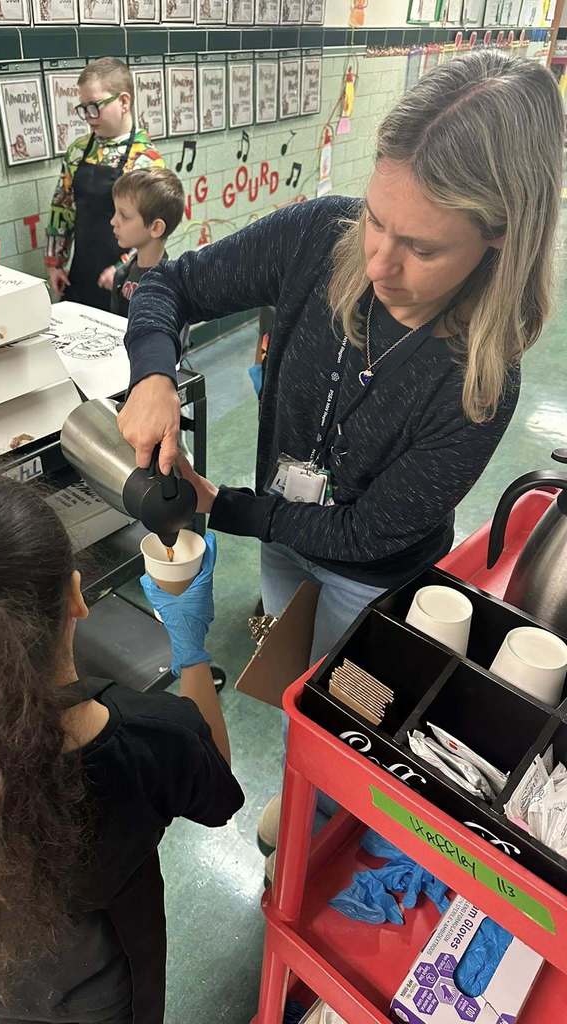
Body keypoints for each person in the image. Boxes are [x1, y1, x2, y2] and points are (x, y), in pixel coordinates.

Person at [114, 52, 565, 866]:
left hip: (375, 573)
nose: (380, 263)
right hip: (289, 534)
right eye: (377, 221)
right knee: (296, 664)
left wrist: (227, 509)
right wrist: (152, 374)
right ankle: (307, 769)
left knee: (352, 699)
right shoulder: (320, 236)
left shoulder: (480, 378)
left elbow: (365, 533)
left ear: (499, 239)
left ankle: (327, 793)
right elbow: (168, 287)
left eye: (422, 248)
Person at [0, 474, 243, 1024]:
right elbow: (219, 795)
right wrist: (190, 649)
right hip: (110, 982)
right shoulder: (149, 735)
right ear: (76, 596)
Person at [46, 58, 165, 313]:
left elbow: (154, 232)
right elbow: (62, 207)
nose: (89, 117)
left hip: (125, 282)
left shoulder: (146, 160)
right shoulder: (78, 152)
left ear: (124, 101)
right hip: (79, 275)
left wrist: (123, 269)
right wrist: (55, 262)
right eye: (84, 108)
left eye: (95, 107)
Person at [109, 168, 185, 319]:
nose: (113, 221)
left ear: (156, 228)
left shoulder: (169, 288)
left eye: (124, 216)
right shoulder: (122, 275)